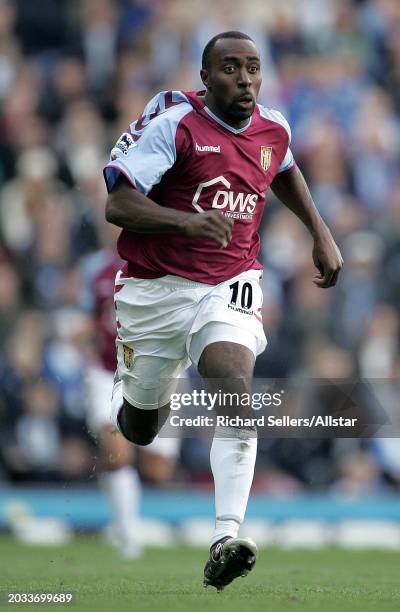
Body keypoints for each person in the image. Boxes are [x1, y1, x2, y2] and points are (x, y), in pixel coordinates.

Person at [103, 31, 343, 589]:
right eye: (231, 68)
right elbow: (117, 202)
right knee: (138, 430)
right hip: (154, 289)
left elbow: (282, 167)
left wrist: (320, 232)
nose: (245, 79)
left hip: (230, 280)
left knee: (234, 386)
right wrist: (187, 222)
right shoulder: (175, 124)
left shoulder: (273, 126)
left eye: (253, 68)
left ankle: (225, 537)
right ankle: (150, 396)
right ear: (206, 77)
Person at [82, 242, 179, 559]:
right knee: (116, 450)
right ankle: (127, 535)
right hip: (107, 373)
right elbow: (90, 318)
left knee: (159, 468)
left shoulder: (170, 269)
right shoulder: (100, 272)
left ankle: (121, 507)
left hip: (157, 373)